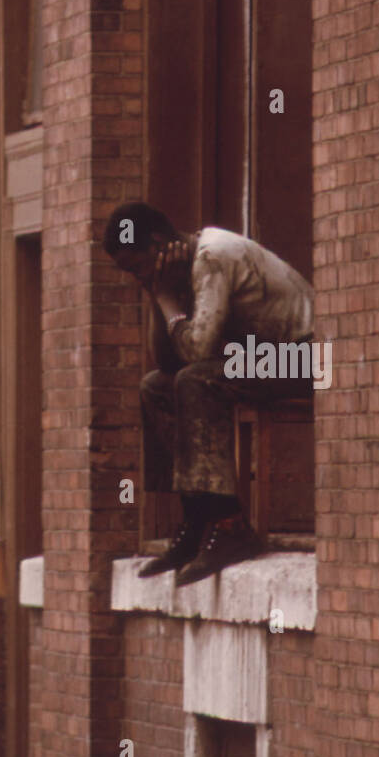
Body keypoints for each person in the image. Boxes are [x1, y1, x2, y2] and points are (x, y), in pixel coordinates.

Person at [103, 202, 315, 585]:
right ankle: (199, 515)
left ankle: (230, 524)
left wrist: (167, 300)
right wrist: (158, 296)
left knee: (197, 380)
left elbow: (197, 352)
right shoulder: (180, 269)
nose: (138, 278)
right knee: (155, 387)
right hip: (259, 357)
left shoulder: (211, 257)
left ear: (157, 244)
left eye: (137, 267)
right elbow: (167, 361)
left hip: (303, 356)